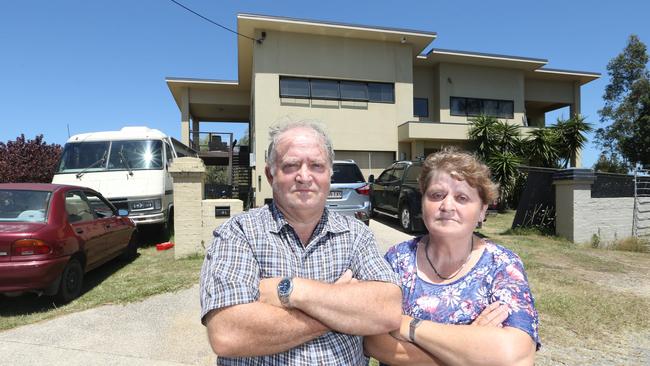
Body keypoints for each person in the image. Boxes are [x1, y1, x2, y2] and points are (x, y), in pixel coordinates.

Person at [200, 121, 402, 365]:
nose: (304, 176)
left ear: (329, 174)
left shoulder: (357, 235)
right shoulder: (238, 233)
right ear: (270, 174)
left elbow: (387, 310)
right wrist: (340, 307)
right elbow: (228, 334)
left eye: (316, 166)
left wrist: (293, 292)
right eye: (291, 165)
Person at [364, 149, 540, 365]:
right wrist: (470, 348)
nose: (447, 206)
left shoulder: (502, 265)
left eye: (462, 198)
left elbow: (516, 357)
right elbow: (372, 340)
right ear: (423, 202)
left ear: (483, 210)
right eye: (437, 195)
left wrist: (407, 325)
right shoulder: (397, 259)